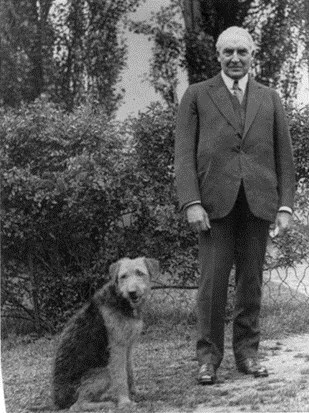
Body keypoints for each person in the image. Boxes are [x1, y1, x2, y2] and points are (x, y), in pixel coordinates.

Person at [174, 26, 295, 384]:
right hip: (213, 206)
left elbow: (284, 157)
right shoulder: (196, 95)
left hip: (258, 204)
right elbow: (183, 156)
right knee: (211, 285)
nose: (235, 58)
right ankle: (208, 359)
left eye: (242, 52)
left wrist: (285, 206)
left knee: (251, 283)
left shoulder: (269, 97)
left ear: (252, 55)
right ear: (218, 55)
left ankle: (248, 354)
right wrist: (192, 202)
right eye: (228, 52)